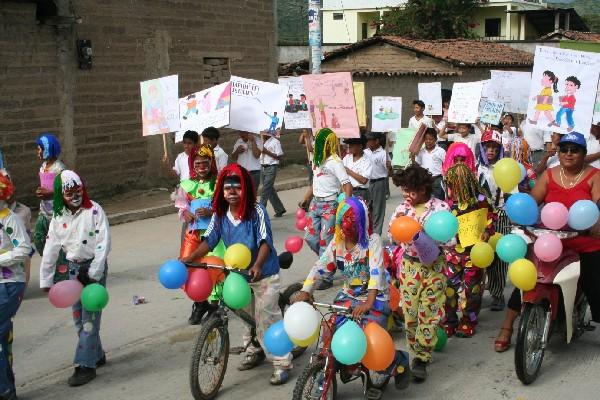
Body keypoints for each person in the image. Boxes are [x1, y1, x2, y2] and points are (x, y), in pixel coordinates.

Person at [181, 164, 292, 385]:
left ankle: (282, 363)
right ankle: (253, 349)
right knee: (243, 314)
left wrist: (258, 265)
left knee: (266, 319)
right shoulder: (220, 214)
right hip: (238, 274)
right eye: (227, 188)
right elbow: (210, 240)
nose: (231, 192)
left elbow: (265, 242)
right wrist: (190, 259)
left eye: (237, 188)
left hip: (264, 274)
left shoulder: (256, 210)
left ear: (246, 189)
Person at [494, 131, 600, 352]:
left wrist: (595, 224)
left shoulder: (594, 175)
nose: (568, 154)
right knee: (528, 279)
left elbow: (597, 203)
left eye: (575, 150)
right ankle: (507, 327)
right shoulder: (550, 175)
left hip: (584, 242)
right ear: (558, 152)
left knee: (595, 285)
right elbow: (532, 202)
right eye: (564, 149)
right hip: (550, 242)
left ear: (583, 153)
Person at [296, 197, 410, 396]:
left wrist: (369, 302)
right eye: (344, 221)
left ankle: (398, 361)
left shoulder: (372, 241)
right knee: (330, 330)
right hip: (348, 296)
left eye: (352, 222)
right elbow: (320, 267)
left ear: (362, 222)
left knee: (368, 338)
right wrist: (306, 290)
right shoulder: (336, 244)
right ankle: (332, 368)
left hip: (375, 297)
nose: (348, 227)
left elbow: (375, 272)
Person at [39, 170, 111, 386]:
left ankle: (85, 365)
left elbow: (103, 244)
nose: (75, 196)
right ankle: (96, 354)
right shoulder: (58, 217)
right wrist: (46, 279)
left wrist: (94, 274)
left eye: (78, 190)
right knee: (79, 318)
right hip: (73, 270)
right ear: (61, 195)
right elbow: (51, 247)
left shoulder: (95, 210)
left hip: (93, 270)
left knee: (90, 320)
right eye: (69, 192)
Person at [388, 165, 449, 382]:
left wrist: (426, 236)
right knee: (411, 314)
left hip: (434, 266)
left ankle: (422, 358)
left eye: (410, 189)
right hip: (409, 267)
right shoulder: (401, 210)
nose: (406, 194)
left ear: (423, 189)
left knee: (429, 313)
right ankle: (415, 349)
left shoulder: (441, 209)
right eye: (403, 189)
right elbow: (392, 233)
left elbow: (450, 238)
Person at [442, 143, 495, 338]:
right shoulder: (447, 203)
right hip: (451, 253)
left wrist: (487, 232)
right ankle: (450, 320)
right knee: (448, 288)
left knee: (471, 290)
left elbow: (492, 216)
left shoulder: (480, 198)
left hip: (474, 253)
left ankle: (468, 320)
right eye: (451, 183)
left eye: (458, 183)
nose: (454, 187)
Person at [175, 145, 223, 325]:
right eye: (197, 163)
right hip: (193, 233)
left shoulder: (219, 183)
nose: (202, 167)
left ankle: (216, 306)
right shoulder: (186, 185)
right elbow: (181, 206)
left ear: (211, 163)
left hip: (214, 233)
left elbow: (225, 206)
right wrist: (184, 213)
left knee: (215, 267)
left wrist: (212, 211)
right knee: (186, 264)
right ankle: (200, 303)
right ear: (192, 165)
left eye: (205, 162)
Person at [299, 128, 352, 290]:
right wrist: (306, 198)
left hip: (330, 205)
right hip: (316, 203)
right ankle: (330, 258)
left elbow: (346, 184)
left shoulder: (335, 162)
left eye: (320, 142)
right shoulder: (317, 160)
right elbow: (314, 183)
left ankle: (326, 277)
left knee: (324, 242)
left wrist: (346, 206)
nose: (316, 145)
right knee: (310, 238)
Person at [0, 175, 32, 400]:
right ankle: (8, 389)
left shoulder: (9, 219)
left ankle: (5, 389)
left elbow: (23, 249)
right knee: (3, 338)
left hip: (10, 284)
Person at [476, 129, 509, 311]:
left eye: (495, 148)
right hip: (480, 215)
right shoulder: (476, 167)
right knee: (479, 254)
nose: (491, 151)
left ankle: (497, 294)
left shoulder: (505, 167)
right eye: (487, 147)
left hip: (501, 213)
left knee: (499, 257)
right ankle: (476, 292)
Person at [33, 133, 67, 282]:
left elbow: (66, 190)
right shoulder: (43, 167)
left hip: (57, 213)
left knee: (59, 246)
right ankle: (51, 265)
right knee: (39, 239)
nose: (37, 151)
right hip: (44, 212)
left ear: (48, 148)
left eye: (39, 148)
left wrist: (51, 194)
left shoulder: (59, 168)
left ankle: (62, 274)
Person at [364, 132, 390, 236]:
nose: (367, 142)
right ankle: (367, 234)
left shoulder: (383, 153)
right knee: (366, 209)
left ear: (376, 141)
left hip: (379, 182)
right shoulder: (365, 152)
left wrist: (390, 167)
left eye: (369, 140)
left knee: (378, 210)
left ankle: (376, 236)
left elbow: (389, 172)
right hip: (366, 183)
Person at [412, 128, 446, 200]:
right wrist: (413, 157)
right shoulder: (421, 152)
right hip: (425, 180)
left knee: (438, 200)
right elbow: (417, 165)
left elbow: (446, 164)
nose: (428, 141)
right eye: (426, 139)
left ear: (435, 139)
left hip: (437, 180)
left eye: (431, 139)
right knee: (426, 200)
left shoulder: (440, 151)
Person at [260, 131, 286, 218]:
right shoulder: (261, 142)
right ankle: (279, 209)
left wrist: (266, 152)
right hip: (263, 167)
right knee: (270, 190)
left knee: (265, 191)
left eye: (264, 132)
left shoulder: (275, 142)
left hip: (271, 167)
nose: (262, 134)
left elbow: (279, 157)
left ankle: (260, 212)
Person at [342, 135, 372, 203]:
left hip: (360, 192)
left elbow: (364, 180)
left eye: (352, 145)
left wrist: (349, 171)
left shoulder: (367, 161)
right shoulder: (346, 158)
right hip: (346, 192)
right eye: (349, 144)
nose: (350, 146)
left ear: (360, 146)